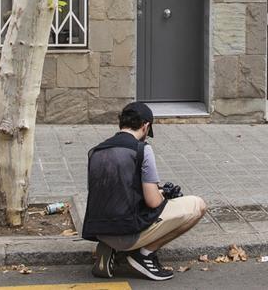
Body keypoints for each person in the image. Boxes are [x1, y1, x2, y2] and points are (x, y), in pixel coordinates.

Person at [82, 102, 207, 281]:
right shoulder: (142, 149)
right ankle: (144, 255)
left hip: (100, 230)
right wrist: (162, 193)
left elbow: (112, 189)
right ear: (145, 126)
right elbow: (153, 202)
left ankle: (109, 248)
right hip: (127, 234)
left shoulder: (95, 151)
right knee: (198, 206)